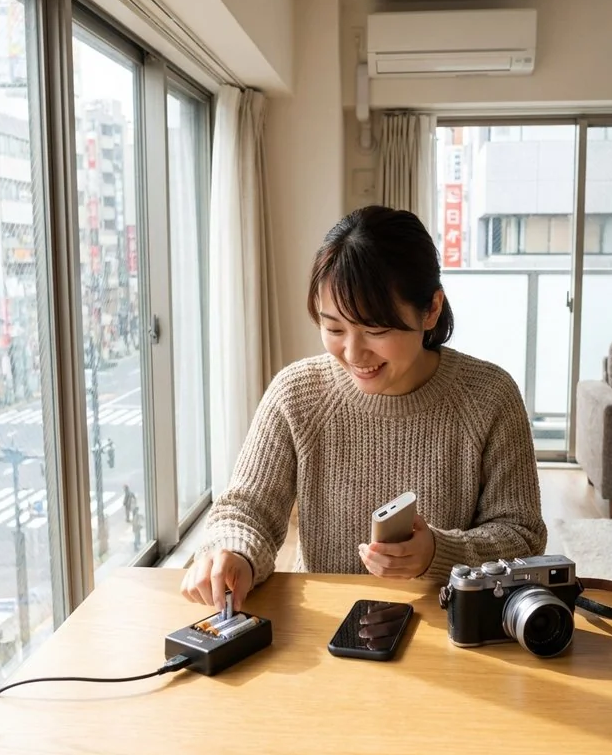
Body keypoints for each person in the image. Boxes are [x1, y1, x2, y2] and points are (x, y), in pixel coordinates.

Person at [181, 206, 546, 613]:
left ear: (431, 310)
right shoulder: (297, 394)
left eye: (375, 330)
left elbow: (523, 535)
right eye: (334, 328)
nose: (353, 353)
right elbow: (245, 508)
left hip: (451, 627)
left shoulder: (489, 397)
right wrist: (232, 551)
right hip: (325, 627)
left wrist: (438, 553)